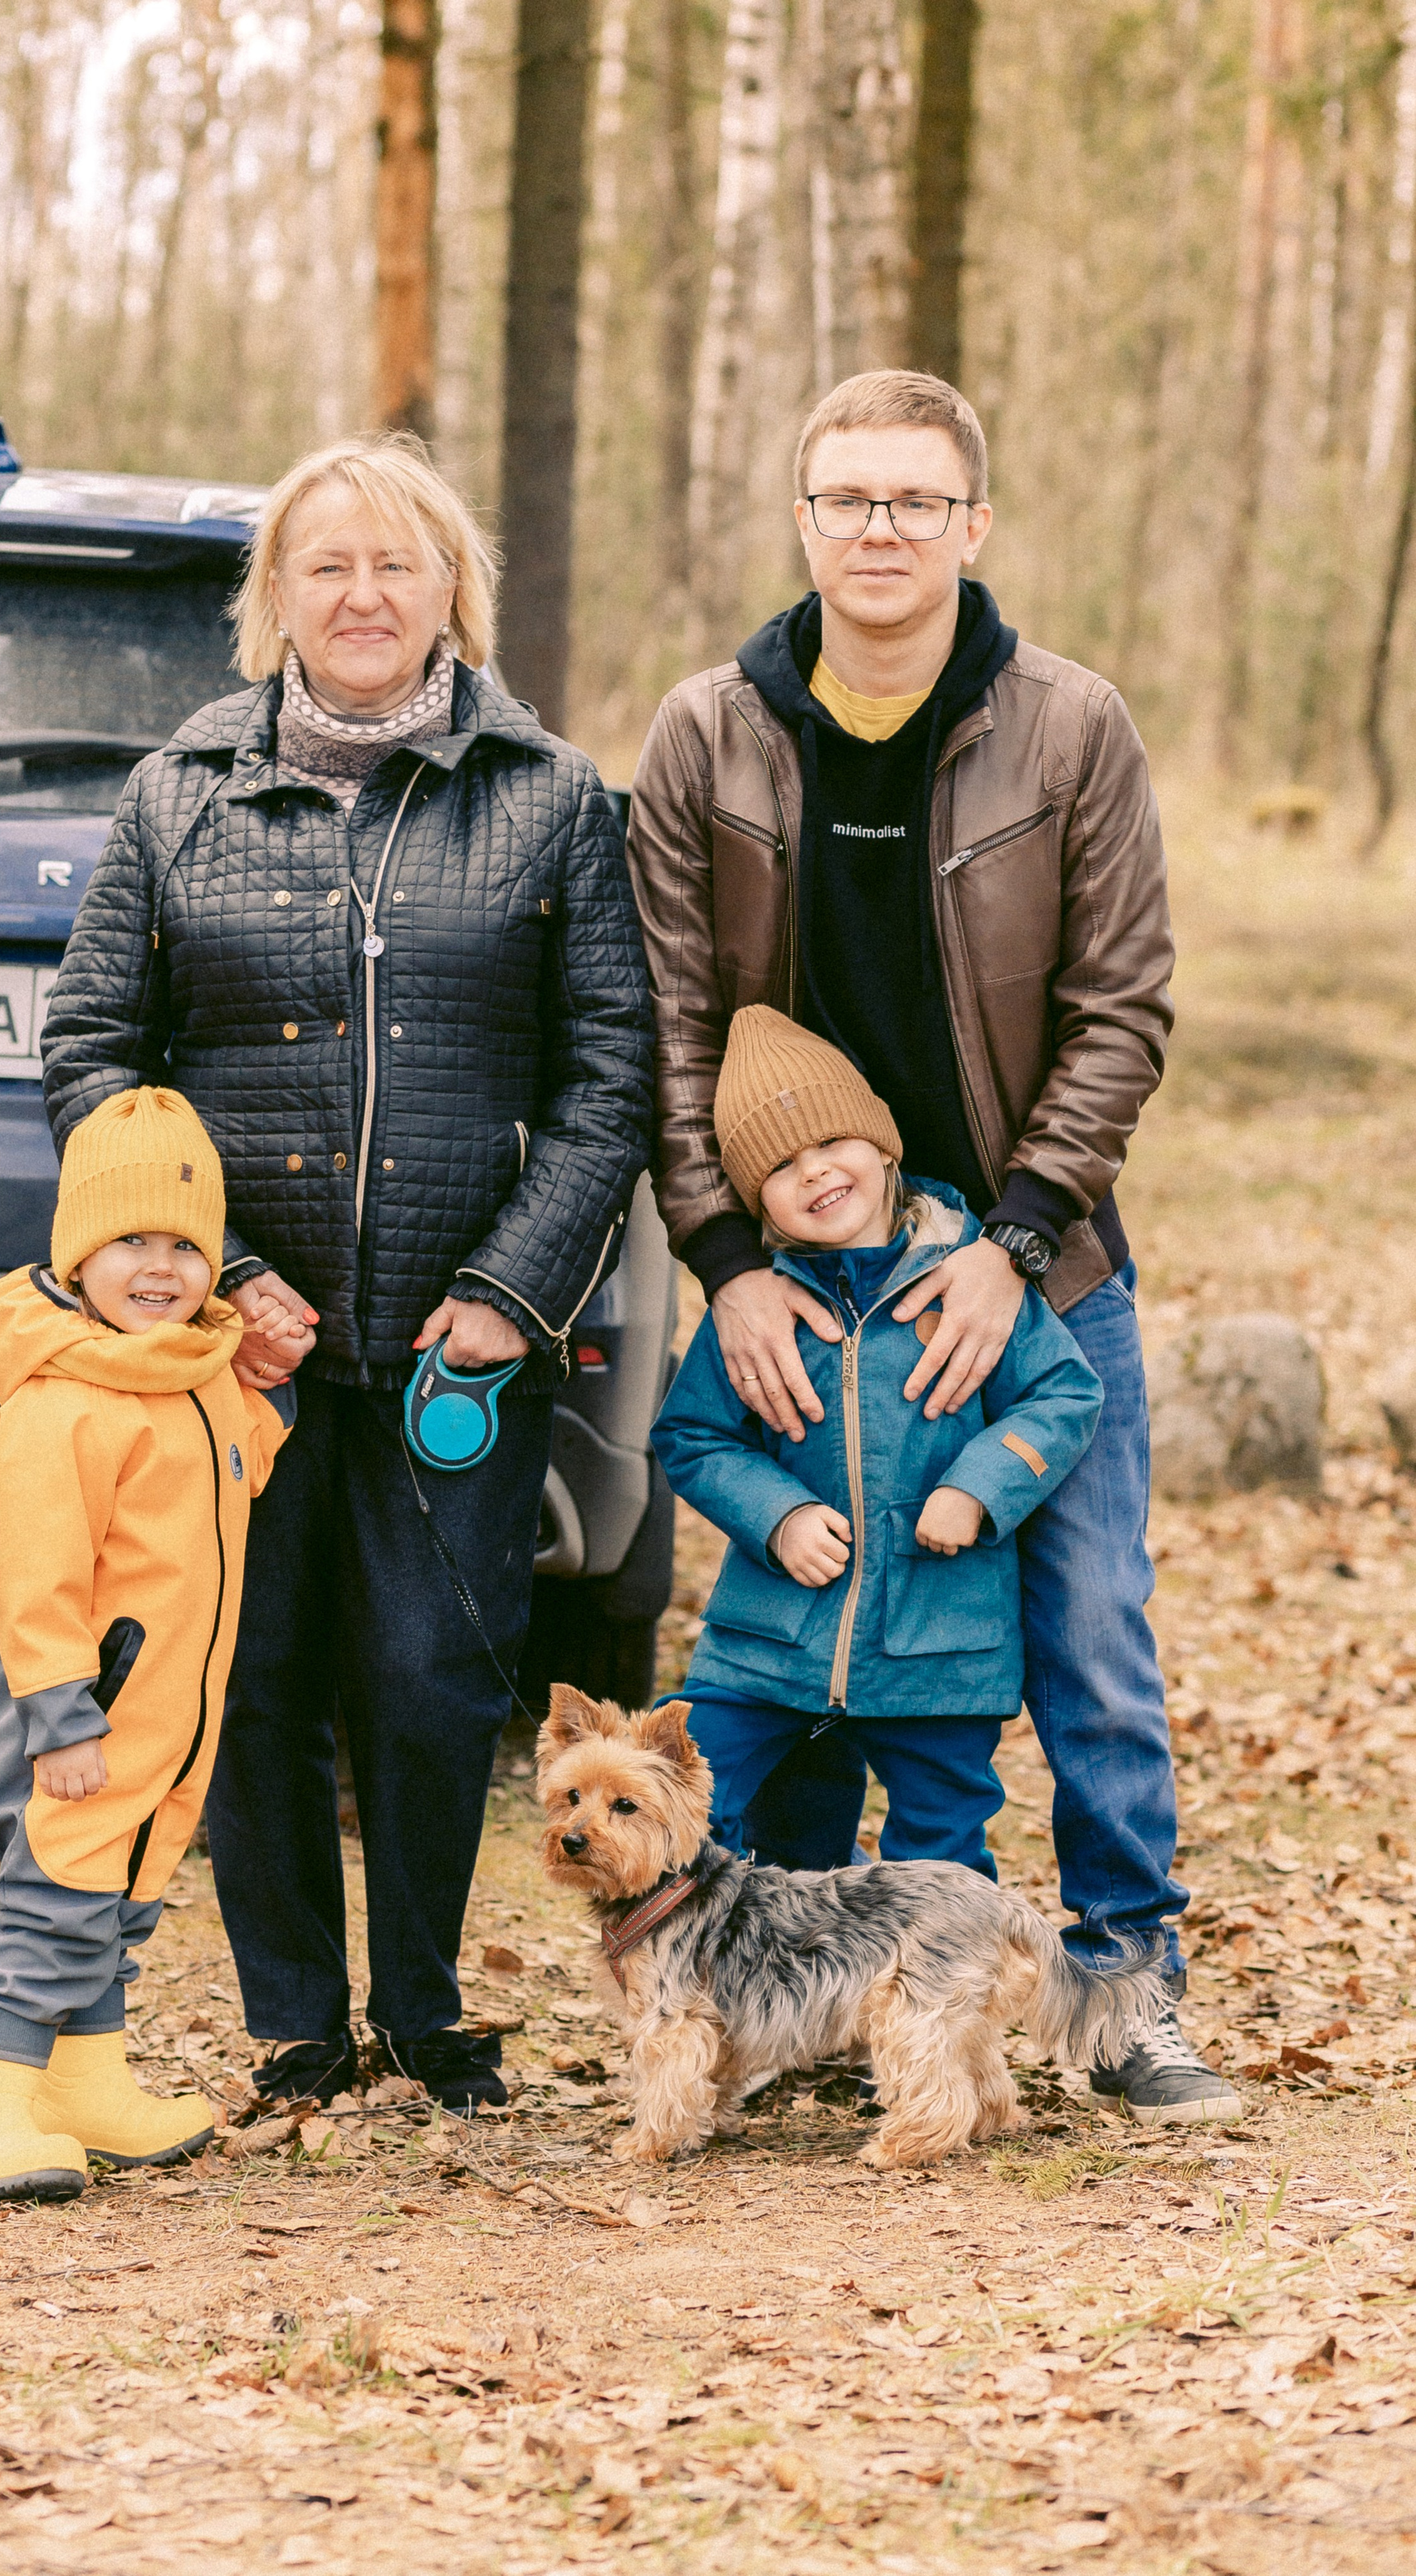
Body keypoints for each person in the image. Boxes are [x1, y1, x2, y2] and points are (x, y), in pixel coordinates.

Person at [628, 367, 1240, 2126]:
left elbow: (1120, 1010)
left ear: (972, 524)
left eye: (914, 500)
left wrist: (1015, 1238)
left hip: (1031, 1275)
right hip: (800, 1288)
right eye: (848, 499)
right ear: (802, 520)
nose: (879, 530)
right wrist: (724, 1262)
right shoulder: (706, 736)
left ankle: (1123, 2001)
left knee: (1090, 1634)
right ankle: (808, 2008)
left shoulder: (1069, 727)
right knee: (802, 1651)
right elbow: (667, 1023)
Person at [42, 435, 651, 2115]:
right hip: (235, 1353)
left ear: (452, 586)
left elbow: (611, 1076)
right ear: (276, 598)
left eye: (397, 563)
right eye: (327, 565)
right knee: (251, 1678)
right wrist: (216, 1275)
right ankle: (295, 2024)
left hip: (463, 1345)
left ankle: (427, 2012)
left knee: (434, 1682)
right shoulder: (179, 792)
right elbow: (90, 1051)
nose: (363, 595)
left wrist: (511, 1291)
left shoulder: (550, 797)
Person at [0, 1087, 290, 2202]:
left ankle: (83, 2085)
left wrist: (264, 1391)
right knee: (55, 1899)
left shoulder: (190, 1372)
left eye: (186, 1245)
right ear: (77, 1255)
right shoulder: (64, 1404)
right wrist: (60, 1717)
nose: (160, 1268)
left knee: (116, 1899)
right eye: (130, 1240)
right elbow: (33, 1581)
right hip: (76, 1715)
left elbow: (231, 1477)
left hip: (161, 1718)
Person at [652, 1006, 1102, 1876]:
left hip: (938, 1641)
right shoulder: (758, 1308)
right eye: (780, 1165)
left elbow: (1065, 1395)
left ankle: (933, 1970)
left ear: (884, 1143)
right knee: (689, 1802)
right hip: (770, 1639)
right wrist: (778, 1516)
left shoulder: (973, 1277)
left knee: (941, 1852)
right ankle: (719, 1958)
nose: (814, 1170)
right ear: (754, 1199)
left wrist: (978, 1487)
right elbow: (693, 1435)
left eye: (831, 1142)